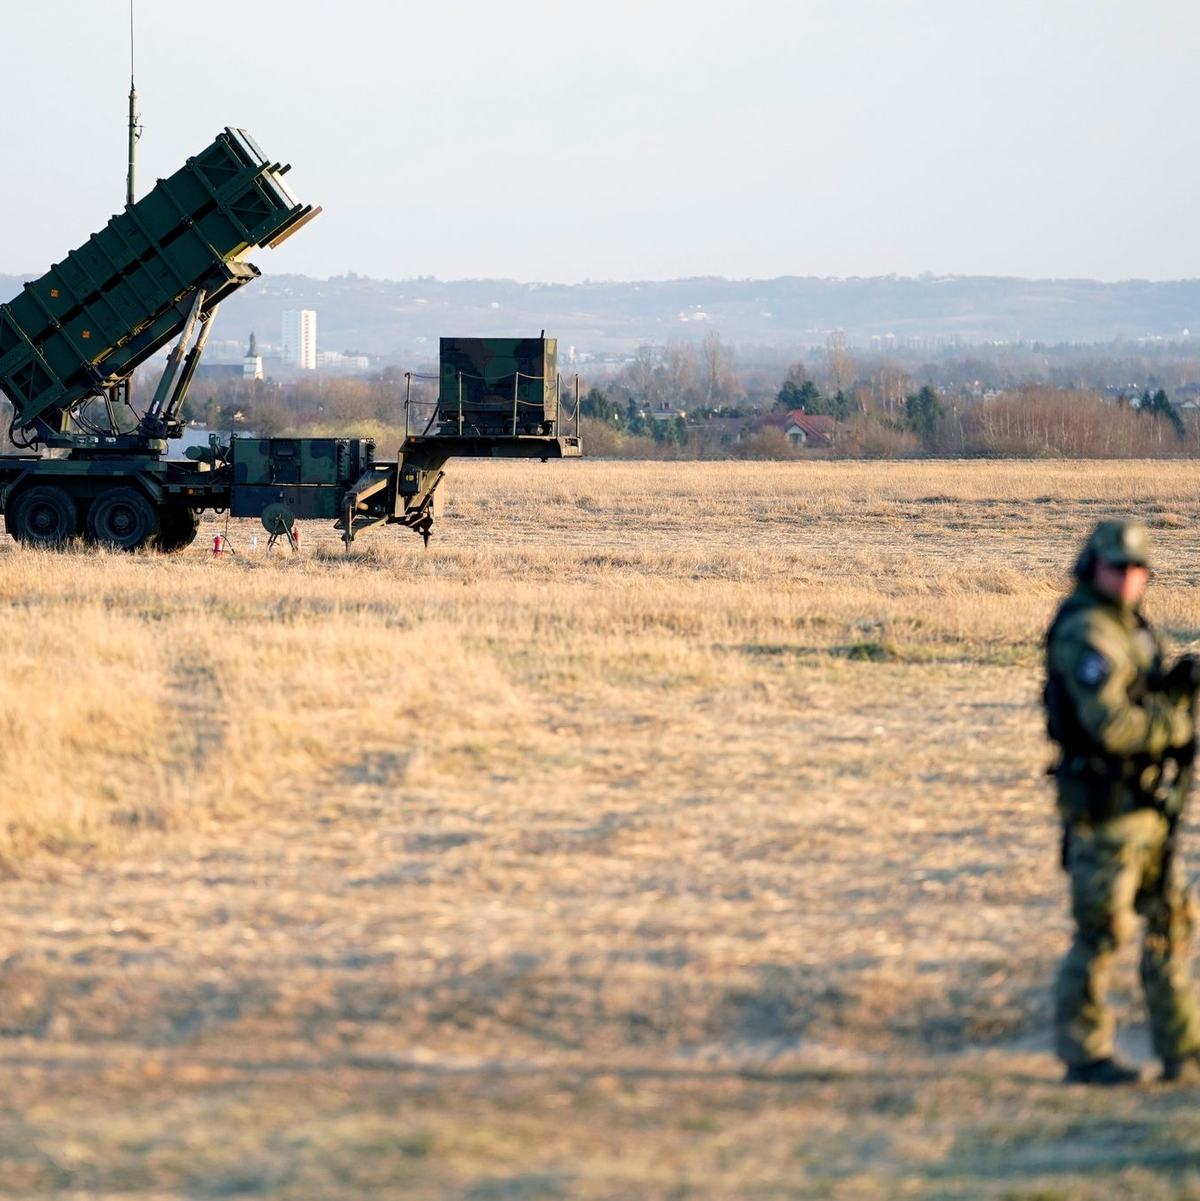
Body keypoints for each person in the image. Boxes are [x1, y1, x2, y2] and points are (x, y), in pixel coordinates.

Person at [1045, 519, 1200, 1085]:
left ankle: (1182, 1049)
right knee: (1102, 933)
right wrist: (1175, 722)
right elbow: (1110, 722)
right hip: (1106, 808)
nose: (1129, 578)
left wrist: (1177, 682)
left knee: (1171, 924)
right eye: (1118, 566)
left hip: (1148, 805)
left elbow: (1140, 693)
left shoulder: (1127, 625)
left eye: (1139, 569)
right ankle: (1084, 1055)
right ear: (1094, 566)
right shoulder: (1087, 631)